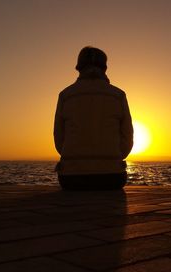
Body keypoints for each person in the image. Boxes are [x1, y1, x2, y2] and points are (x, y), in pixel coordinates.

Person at [53, 46, 133, 190]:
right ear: (105, 67)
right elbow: (127, 137)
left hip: (71, 178)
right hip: (112, 177)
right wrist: (113, 157)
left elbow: (59, 138)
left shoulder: (65, 95)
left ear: (78, 67)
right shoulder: (118, 95)